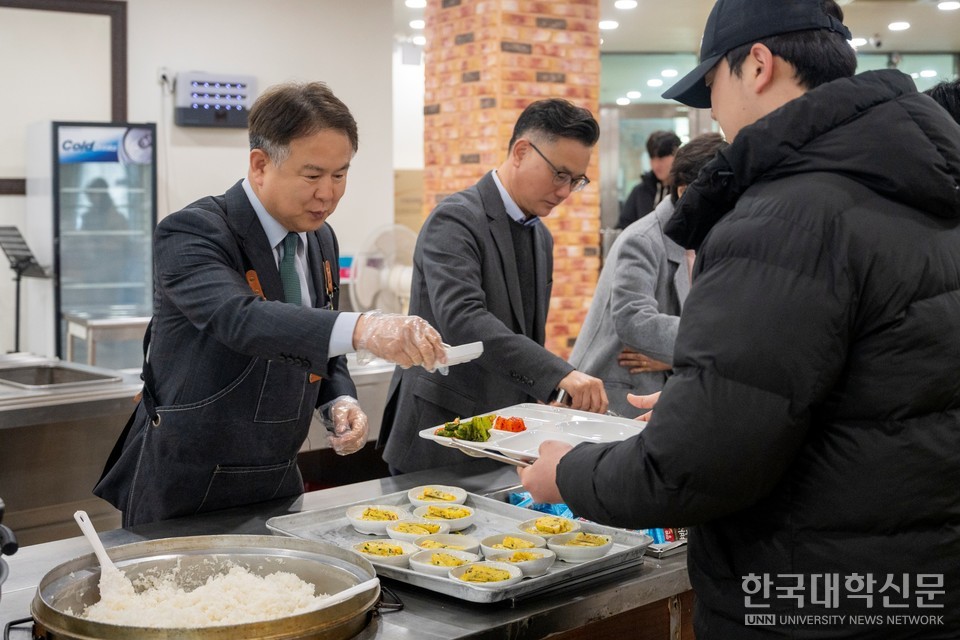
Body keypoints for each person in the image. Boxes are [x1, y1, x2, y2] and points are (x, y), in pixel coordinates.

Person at [520, 0, 960, 637]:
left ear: (758, 65)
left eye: (712, 88)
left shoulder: (790, 211)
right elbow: (863, 396)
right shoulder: (917, 187)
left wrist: (566, 470)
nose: (714, 114)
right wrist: (706, 395)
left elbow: (695, 468)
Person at [94, 82, 447, 527]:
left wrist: (337, 398)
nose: (328, 193)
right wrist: (364, 328)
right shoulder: (193, 232)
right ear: (260, 165)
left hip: (277, 478)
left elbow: (314, 335)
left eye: (340, 175)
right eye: (313, 175)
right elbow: (240, 319)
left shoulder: (320, 238)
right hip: (186, 487)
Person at [379, 98, 608, 474]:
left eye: (576, 181)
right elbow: (463, 319)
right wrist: (556, 375)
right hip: (440, 434)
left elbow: (524, 335)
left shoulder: (540, 237)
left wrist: (544, 394)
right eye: (559, 175)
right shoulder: (456, 220)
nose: (566, 191)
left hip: (503, 436)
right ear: (521, 151)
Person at [569, 133, 726, 418]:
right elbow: (633, 320)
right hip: (615, 396)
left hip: (654, 389)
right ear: (683, 190)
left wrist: (669, 358)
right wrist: (714, 341)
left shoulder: (703, 239)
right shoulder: (643, 238)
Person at [616, 130, 681, 229]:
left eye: (661, 159)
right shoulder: (640, 191)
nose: (656, 165)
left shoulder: (684, 190)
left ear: (676, 156)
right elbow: (623, 227)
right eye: (652, 158)